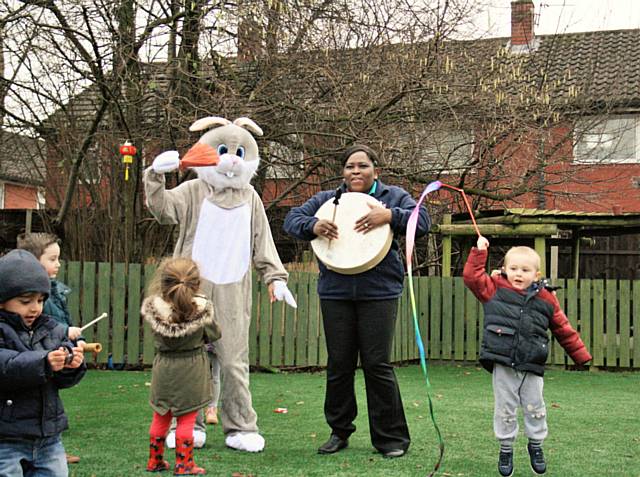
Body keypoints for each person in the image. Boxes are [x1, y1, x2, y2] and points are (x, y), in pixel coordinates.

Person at [283, 144, 430, 458]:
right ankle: (339, 431)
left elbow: (423, 221)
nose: (355, 172)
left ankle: (390, 439)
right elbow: (291, 220)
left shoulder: (394, 197)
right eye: (350, 167)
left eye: (362, 166)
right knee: (339, 365)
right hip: (335, 292)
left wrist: (390, 215)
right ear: (343, 172)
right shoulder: (327, 199)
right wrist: (313, 225)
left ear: (375, 169)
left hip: (379, 292)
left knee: (377, 364)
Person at [463, 236, 592, 477]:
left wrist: (580, 355)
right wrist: (479, 252)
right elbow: (471, 277)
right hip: (503, 364)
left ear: (536, 273)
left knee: (535, 407)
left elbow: (563, 328)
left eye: (525, 270)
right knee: (505, 408)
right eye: (513, 269)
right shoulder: (494, 289)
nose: (518, 274)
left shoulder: (546, 298)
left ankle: (536, 445)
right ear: (505, 269)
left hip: (532, 363)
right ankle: (506, 449)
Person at [0, 249, 86, 477]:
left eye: (40, 300)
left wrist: (72, 364)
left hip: (48, 436)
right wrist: (44, 362)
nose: (35, 308)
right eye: (25, 301)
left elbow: (62, 377)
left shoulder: (51, 328)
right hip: (6, 438)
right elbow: (7, 365)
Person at [142, 257, 221, 475]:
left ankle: (154, 460)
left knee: (161, 415)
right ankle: (184, 464)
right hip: (191, 370)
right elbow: (215, 334)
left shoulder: (154, 310)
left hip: (163, 368)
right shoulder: (202, 310)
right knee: (187, 419)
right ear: (196, 284)